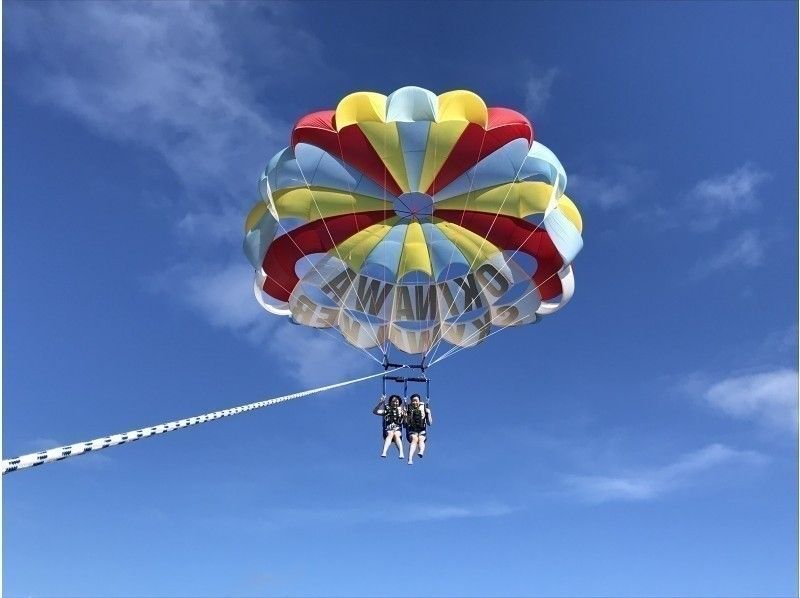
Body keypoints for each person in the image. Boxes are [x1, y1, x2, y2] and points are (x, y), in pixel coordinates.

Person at [373, 395, 405, 459]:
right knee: (390, 434)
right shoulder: (386, 411)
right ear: (390, 402)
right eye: (393, 401)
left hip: (397, 429)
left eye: (396, 402)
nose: (395, 403)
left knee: (396, 435)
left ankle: (401, 452)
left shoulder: (401, 411)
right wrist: (380, 403)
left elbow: (405, 421)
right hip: (389, 429)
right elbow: (375, 411)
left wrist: (404, 414)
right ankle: (384, 452)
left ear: (399, 403)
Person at [405, 394, 432, 465]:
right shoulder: (408, 409)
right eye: (413, 401)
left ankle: (421, 451)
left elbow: (430, 423)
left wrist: (428, 413)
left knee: (421, 439)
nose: (414, 402)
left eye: (416, 401)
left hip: (422, 429)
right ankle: (410, 459)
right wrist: (405, 415)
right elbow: (405, 424)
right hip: (412, 430)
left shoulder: (424, 408)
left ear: (419, 401)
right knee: (414, 439)